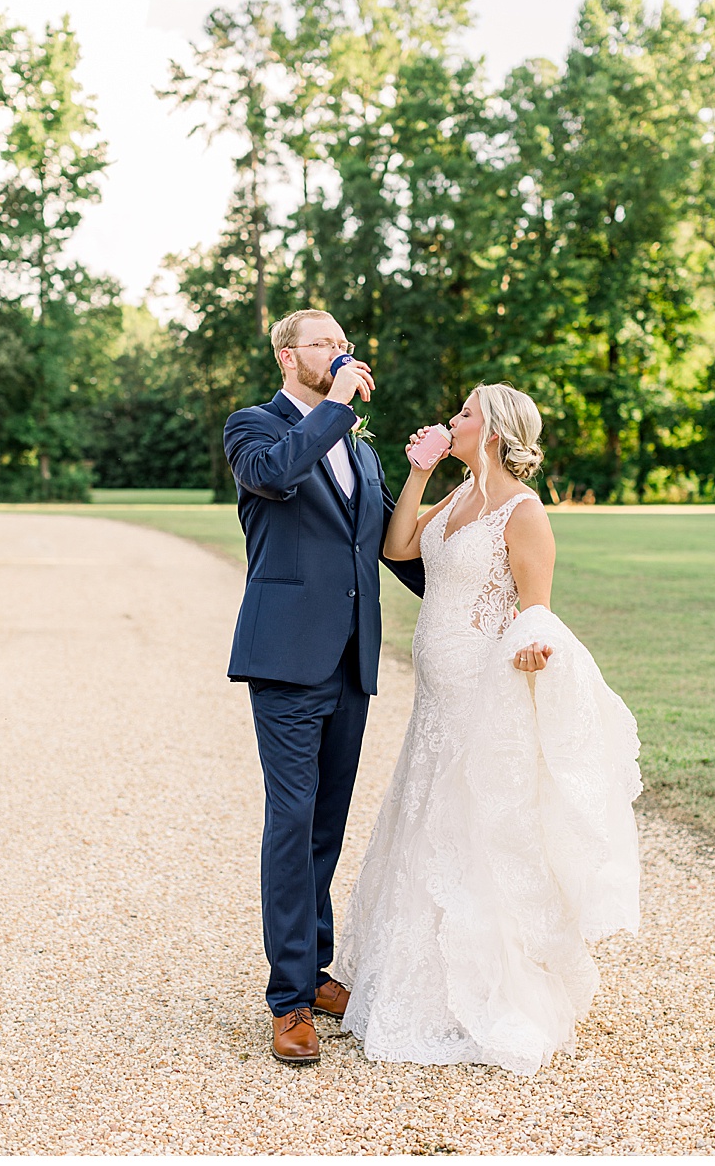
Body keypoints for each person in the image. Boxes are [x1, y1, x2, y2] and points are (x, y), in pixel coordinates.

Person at [334, 384, 642, 1075]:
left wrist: (535, 645)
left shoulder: (522, 511)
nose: (452, 419)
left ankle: (484, 993)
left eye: (465, 415)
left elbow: (537, 609)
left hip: (482, 685)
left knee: (472, 826)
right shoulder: (461, 496)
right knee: (424, 819)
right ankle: (410, 980)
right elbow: (399, 543)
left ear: (495, 432)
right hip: (435, 696)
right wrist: (418, 471)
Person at [221, 308, 427, 1065]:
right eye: (324, 345)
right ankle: (289, 1001)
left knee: (327, 827)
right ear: (287, 356)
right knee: (291, 822)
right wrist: (337, 406)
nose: (341, 354)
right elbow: (275, 476)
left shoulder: (360, 451)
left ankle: (316, 968)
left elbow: (385, 548)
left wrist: (476, 596)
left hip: (351, 661)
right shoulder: (254, 427)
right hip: (284, 661)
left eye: (345, 346)